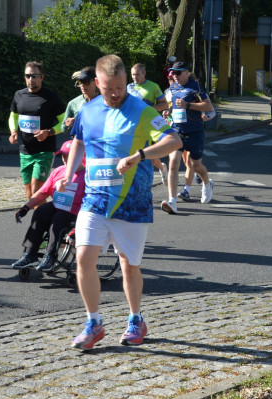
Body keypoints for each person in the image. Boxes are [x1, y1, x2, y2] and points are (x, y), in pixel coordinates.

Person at [57, 55, 182, 350]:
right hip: (94, 200)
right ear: (96, 83)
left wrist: (139, 156)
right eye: (108, 88)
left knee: (128, 264)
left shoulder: (141, 109)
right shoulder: (87, 111)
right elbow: (78, 141)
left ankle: (136, 318)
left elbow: (173, 141)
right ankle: (93, 322)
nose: (115, 93)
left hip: (131, 202)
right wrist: (70, 171)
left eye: (120, 86)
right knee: (84, 258)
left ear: (127, 80)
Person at [11, 140, 87, 274]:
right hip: (57, 206)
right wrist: (26, 208)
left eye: (68, 155)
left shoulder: (87, 176)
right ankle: (30, 254)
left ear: (80, 155)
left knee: (58, 219)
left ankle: (50, 256)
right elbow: (43, 192)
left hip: (75, 213)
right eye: (63, 155)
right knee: (41, 211)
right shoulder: (58, 171)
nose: (64, 159)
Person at [160, 61, 215, 214]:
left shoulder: (195, 87)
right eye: (172, 73)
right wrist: (169, 111)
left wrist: (189, 105)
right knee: (173, 163)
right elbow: (175, 105)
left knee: (196, 166)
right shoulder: (173, 87)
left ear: (186, 72)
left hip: (195, 131)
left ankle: (206, 183)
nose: (174, 76)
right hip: (177, 131)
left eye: (178, 73)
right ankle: (172, 201)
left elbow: (208, 106)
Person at [9, 61, 66, 200]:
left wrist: (48, 132)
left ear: (42, 77)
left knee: (36, 191)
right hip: (25, 150)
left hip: (44, 150)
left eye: (34, 76)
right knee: (31, 197)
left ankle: (45, 219)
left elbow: (64, 122)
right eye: (27, 76)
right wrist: (13, 132)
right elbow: (13, 116)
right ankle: (46, 218)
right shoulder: (19, 95)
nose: (31, 79)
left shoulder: (51, 97)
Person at [127, 62, 169, 183]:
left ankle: (161, 168)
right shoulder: (128, 87)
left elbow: (164, 104)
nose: (135, 77)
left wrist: (149, 110)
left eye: (137, 75)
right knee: (135, 151)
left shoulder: (153, 86)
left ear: (144, 73)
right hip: (133, 124)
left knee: (149, 155)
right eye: (133, 75)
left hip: (149, 124)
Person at [62, 67, 100, 134]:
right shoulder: (73, 103)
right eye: (80, 82)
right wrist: (67, 124)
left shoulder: (104, 101)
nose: (82, 85)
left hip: (98, 143)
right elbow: (63, 129)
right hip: (79, 142)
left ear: (96, 82)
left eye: (86, 82)